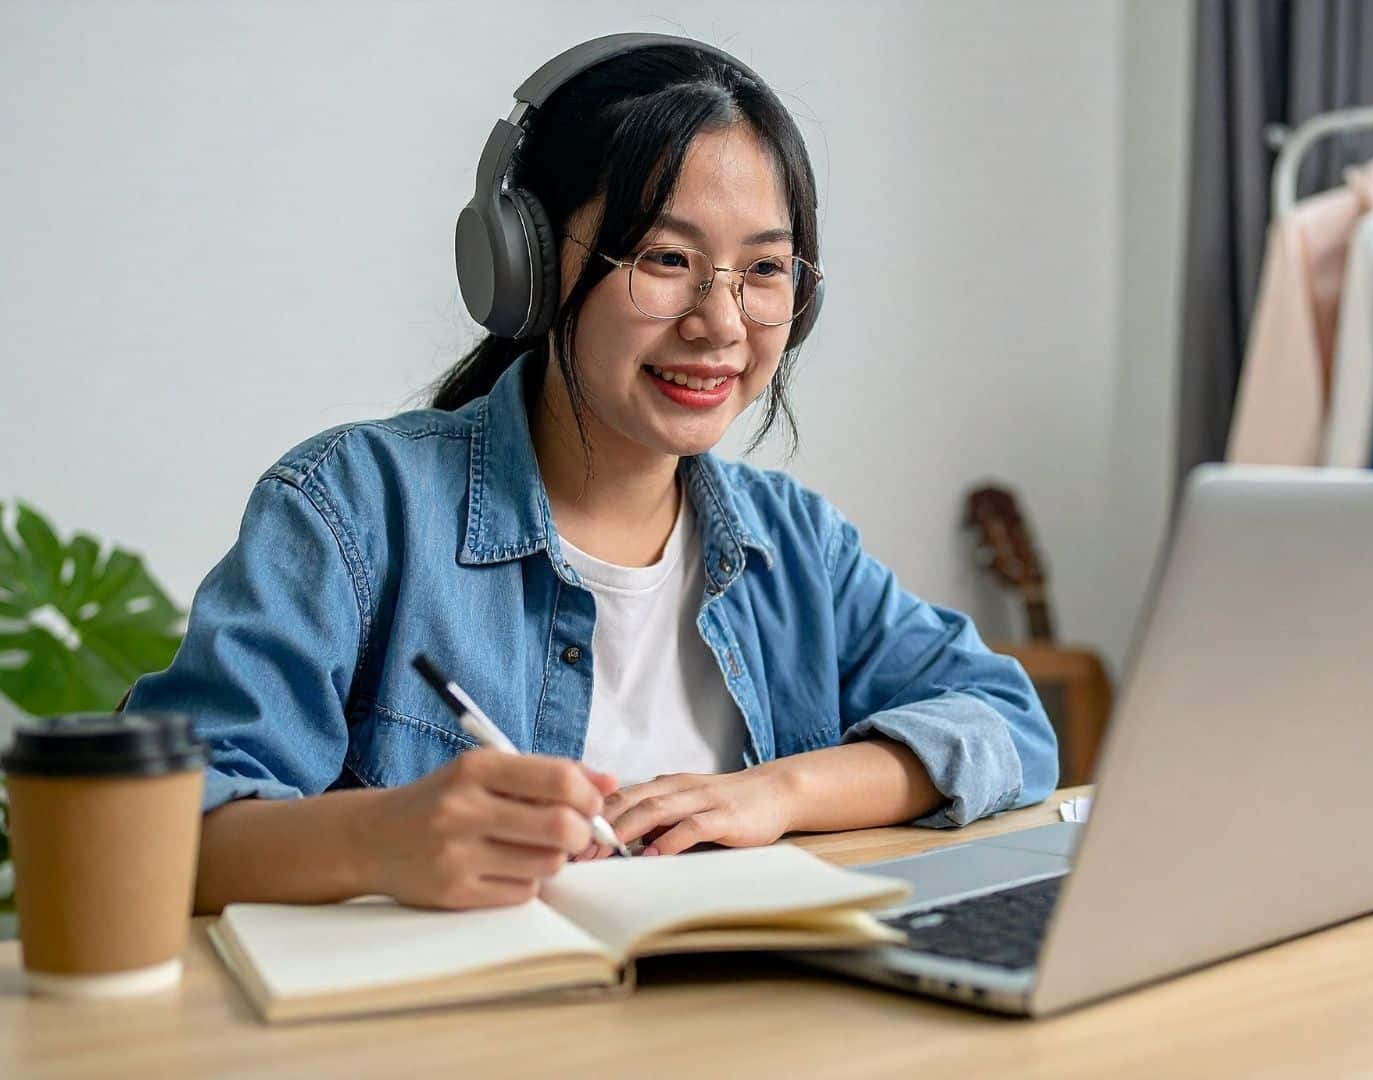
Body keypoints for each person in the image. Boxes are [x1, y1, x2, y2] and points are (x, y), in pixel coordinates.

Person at [125, 35, 1057, 914]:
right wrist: (379, 840)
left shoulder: (794, 545)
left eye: (764, 269)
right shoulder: (353, 511)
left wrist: (781, 789)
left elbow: (1010, 725)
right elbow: (157, 836)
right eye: (665, 258)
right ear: (522, 263)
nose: (721, 322)